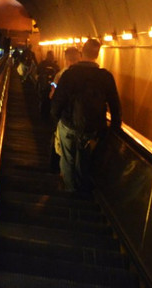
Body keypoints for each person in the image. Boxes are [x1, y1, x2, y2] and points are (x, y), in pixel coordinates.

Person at [50, 38, 121, 195]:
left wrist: (56, 119)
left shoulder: (70, 74)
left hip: (68, 124)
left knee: (67, 159)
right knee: (84, 159)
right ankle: (82, 194)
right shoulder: (106, 77)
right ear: (97, 55)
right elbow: (115, 105)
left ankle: (69, 192)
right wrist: (114, 130)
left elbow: (57, 101)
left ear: (82, 53)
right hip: (92, 129)